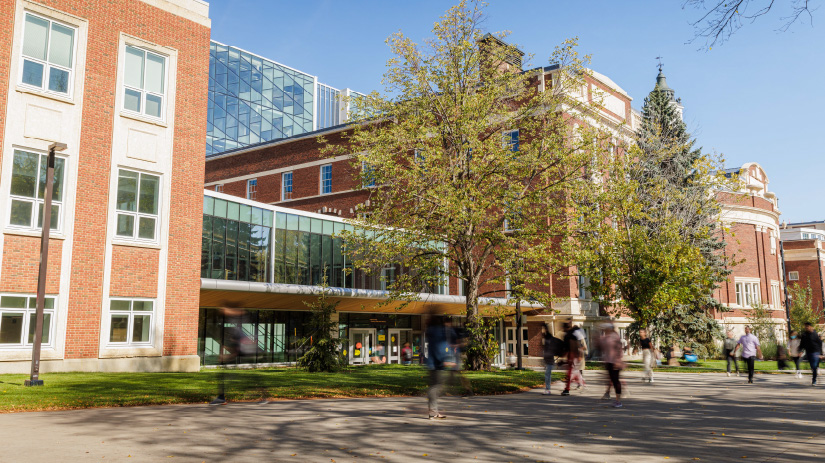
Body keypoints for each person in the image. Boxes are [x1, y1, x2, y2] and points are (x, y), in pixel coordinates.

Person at [425, 314, 455, 419]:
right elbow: (439, 348)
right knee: (435, 388)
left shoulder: (436, 332)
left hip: (434, 364)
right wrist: (445, 360)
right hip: (436, 365)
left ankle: (434, 411)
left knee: (436, 387)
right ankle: (433, 412)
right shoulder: (439, 332)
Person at [598, 322, 624, 408]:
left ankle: (618, 401)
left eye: (606, 329)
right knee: (611, 380)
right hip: (608, 361)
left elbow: (619, 349)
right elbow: (600, 346)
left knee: (616, 381)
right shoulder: (605, 337)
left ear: (610, 329)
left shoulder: (615, 337)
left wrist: (618, 360)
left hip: (615, 362)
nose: (605, 330)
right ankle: (608, 394)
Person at [560, 322, 586, 396]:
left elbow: (574, 345)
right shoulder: (571, 334)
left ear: (565, 328)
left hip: (573, 355)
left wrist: (577, 356)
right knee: (574, 372)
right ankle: (581, 383)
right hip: (572, 355)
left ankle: (567, 389)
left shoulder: (570, 335)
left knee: (570, 373)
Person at [541, 323, 563, 395]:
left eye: (543, 329)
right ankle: (548, 388)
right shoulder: (546, 338)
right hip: (548, 359)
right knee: (547, 374)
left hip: (550, 359)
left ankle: (548, 389)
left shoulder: (549, 339)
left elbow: (550, 348)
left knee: (547, 374)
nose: (542, 331)